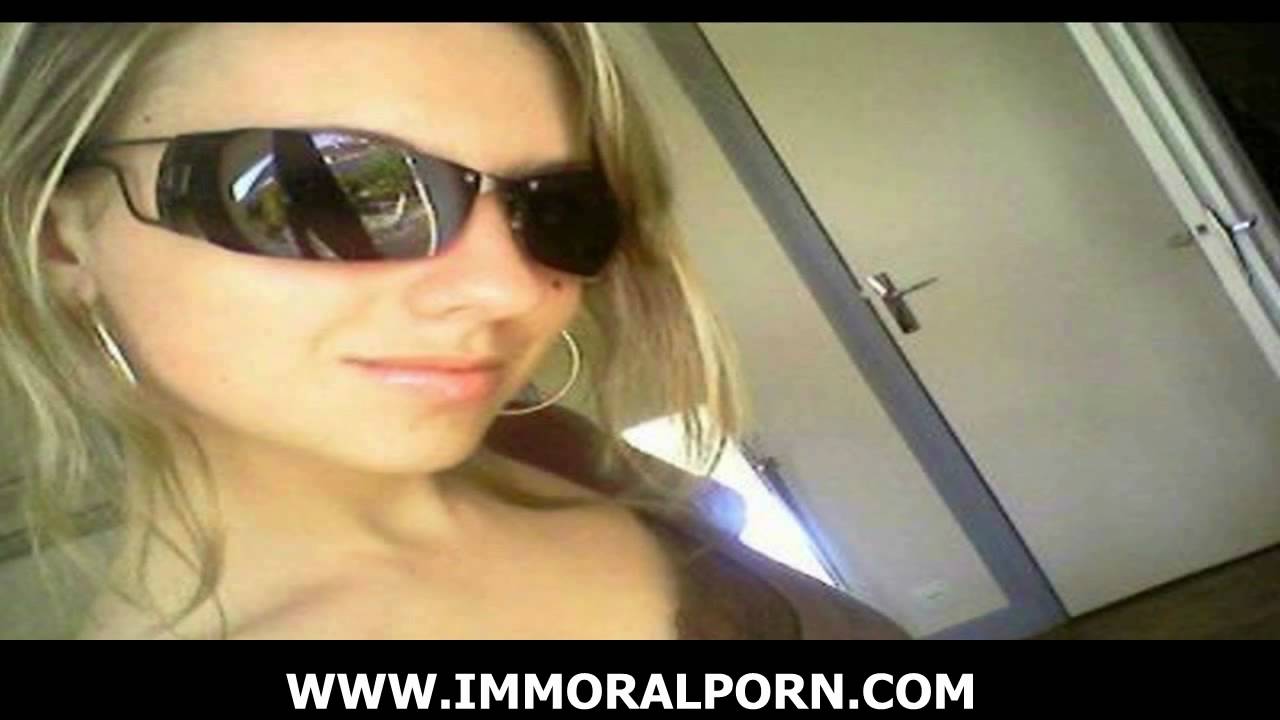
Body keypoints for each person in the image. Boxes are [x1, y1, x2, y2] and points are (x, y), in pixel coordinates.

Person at [0, 22, 908, 639]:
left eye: (554, 208)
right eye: (329, 191)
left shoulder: (571, 459)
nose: (507, 287)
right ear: (61, 236)